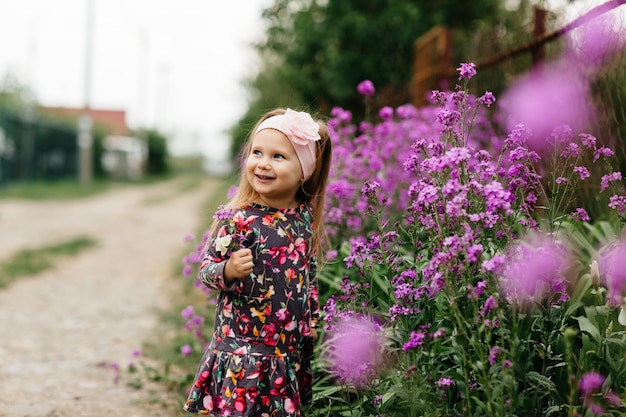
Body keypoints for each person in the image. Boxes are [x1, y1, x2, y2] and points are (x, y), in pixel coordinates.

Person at [184, 108, 332, 417]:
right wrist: (228, 270)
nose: (263, 163)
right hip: (243, 348)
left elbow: (308, 275)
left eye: (278, 156)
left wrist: (313, 321)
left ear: (305, 170)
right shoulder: (238, 219)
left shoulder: (303, 219)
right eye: (257, 152)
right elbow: (207, 272)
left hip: (286, 349)